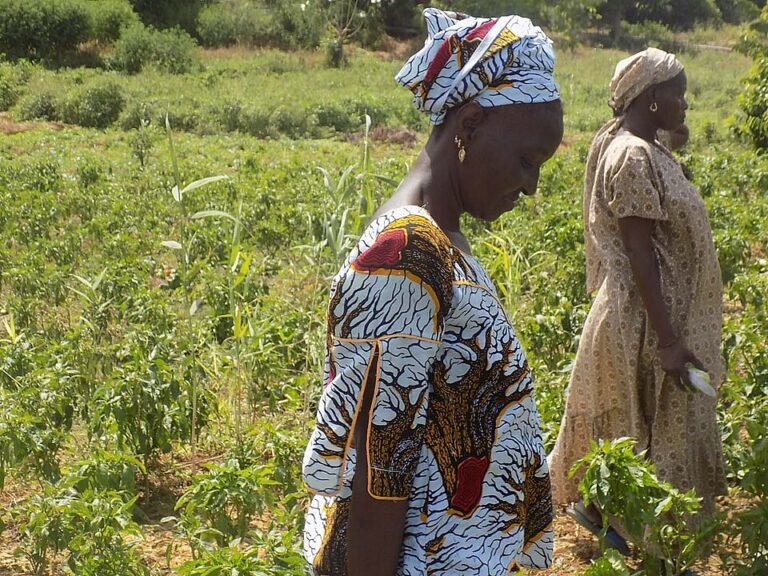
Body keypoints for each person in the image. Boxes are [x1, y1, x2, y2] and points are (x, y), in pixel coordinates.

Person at [302, 9, 563, 575]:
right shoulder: (409, 253)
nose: (532, 185)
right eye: (527, 160)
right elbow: (377, 485)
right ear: (468, 128)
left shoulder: (444, 239)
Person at [548, 47, 727, 549]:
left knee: (645, 422)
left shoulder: (646, 146)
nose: (686, 104)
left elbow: (673, 140)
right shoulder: (630, 155)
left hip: (657, 316)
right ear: (651, 98)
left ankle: (617, 519)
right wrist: (667, 340)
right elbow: (638, 249)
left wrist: (673, 130)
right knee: (650, 422)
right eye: (679, 94)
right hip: (645, 320)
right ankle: (649, 540)